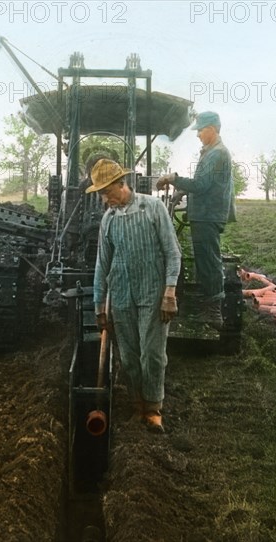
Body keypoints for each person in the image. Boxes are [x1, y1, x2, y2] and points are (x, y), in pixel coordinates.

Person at [86, 158, 182, 433]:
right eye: (102, 195)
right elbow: (102, 264)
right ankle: (137, 403)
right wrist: (99, 305)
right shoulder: (109, 219)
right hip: (121, 296)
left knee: (151, 354)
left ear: (121, 183)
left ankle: (153, 408)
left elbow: (173, 253)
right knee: (128, 357)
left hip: (153, 294)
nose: (106, 200)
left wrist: (169, 291)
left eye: (108, 193)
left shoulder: (152, 208)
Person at [156, 111, 235, 330]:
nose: (198, 134)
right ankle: (208, 306)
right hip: (204, 214)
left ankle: (213, 312)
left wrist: (174, 179)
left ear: (211, 129)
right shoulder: (212, 152)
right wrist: (182, 191)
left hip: (208, 215)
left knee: (209, 261)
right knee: (204, 261)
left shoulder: (217, 154)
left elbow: (201, 185)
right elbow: (204, 184)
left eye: (200, 130)